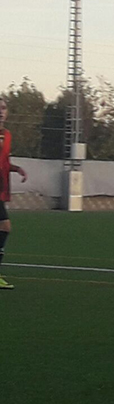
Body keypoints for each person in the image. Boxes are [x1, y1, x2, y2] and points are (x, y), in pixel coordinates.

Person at [0, 97, 28, 290]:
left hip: (1, 189)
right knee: (5, 227)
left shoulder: (7, 135)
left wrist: (16, 169)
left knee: (4, 228)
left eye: (3, 107)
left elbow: (4, 162)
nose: (1, 111)